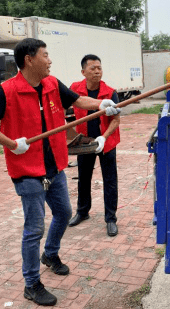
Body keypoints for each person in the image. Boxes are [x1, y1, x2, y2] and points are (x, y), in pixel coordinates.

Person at [0, 38, 120, 307]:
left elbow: (78, 100)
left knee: (63, 213)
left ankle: (50, 254)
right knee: (34, 228)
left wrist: (101, 105)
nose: (50, 60)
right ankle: (31, 283)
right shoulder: (7, 91)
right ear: (29, 60)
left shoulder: (51, 84)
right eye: (45, 55)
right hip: (27, 171)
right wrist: (10, 144)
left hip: (54, 166)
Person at [68, 54, 120, 237]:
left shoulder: (110, 92)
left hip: (106, 142)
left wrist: (104, 138)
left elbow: (116, 120)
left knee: (110, 180)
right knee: (84, 178)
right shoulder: (75, 90)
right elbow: (64, 109)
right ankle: (82, 212)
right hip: (85, 142)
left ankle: (111, 218)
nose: (97, 71)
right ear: (83, 72)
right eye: (93, 68)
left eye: (99, 68)